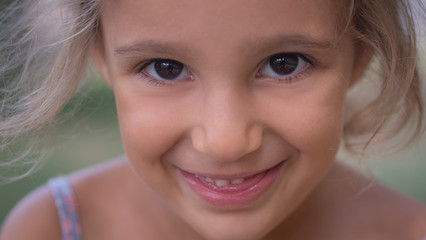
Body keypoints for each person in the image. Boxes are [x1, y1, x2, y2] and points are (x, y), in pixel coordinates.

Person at [0, 0, 425, 239]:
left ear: (360, 55)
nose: (225, 141)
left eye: (283, 63)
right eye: (165, 67)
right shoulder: (53, 229)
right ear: (102, 58)